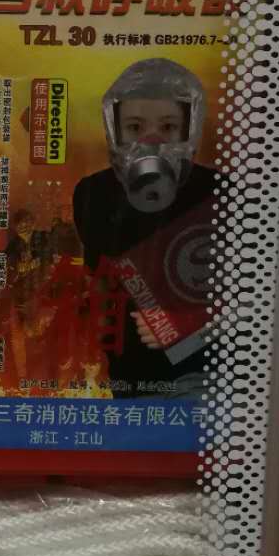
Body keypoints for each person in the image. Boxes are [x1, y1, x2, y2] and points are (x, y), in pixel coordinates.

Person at [72, 57, 217, 397]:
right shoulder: (94, 194)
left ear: (190, 130)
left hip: (202, 374)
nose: (151, 142)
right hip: (127, 372)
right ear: (114, 131)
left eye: (168, 128)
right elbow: (102, 278)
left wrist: (190, 322)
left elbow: (260, 299)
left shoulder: (221, 195)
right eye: (135, 128)